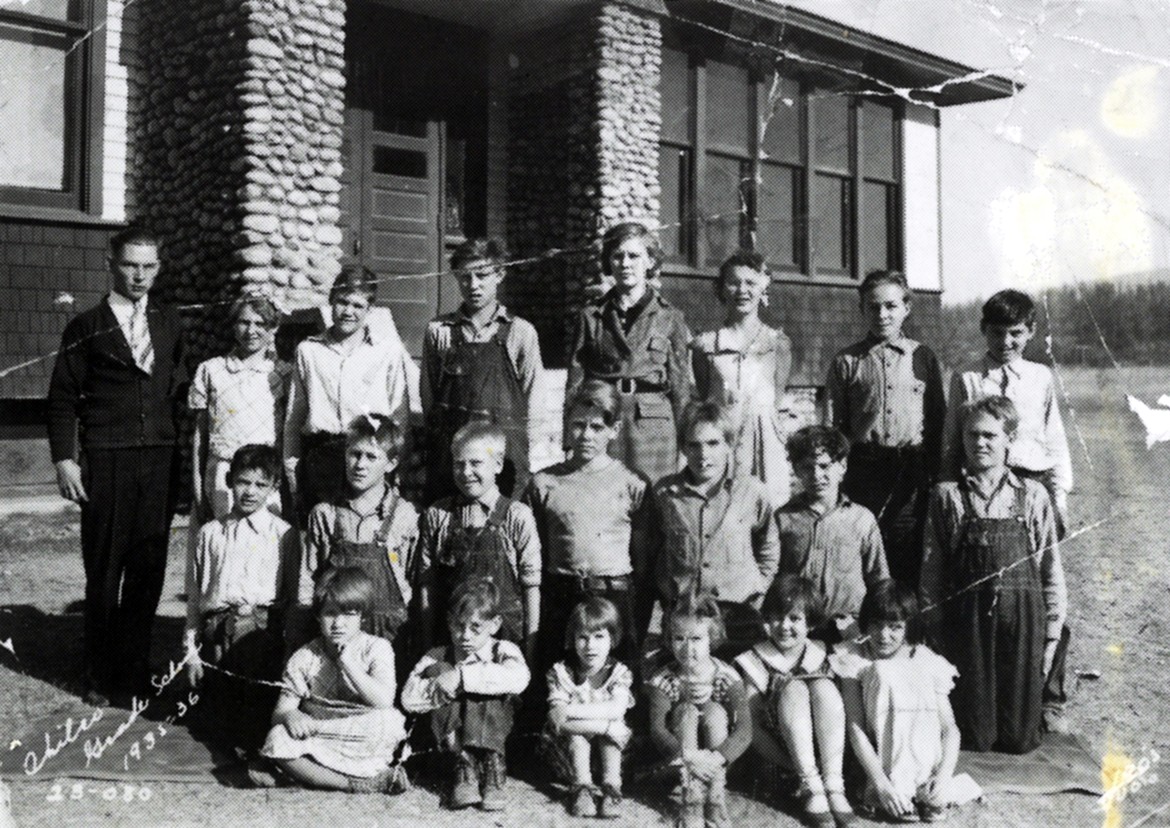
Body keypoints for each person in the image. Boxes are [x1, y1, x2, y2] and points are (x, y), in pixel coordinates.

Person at [48, 225, 187, 706]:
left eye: (150, 266)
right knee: (105, 569)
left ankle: (135, 668)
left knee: (149, 570)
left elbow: (182, 393)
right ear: (112, 263)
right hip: (107, 460)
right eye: (131, 264)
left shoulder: (170, 323)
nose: (140, 275)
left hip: (160, 460)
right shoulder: (86, 326)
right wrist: (66, 459)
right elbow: (63, 398)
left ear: (159, 267)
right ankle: (98, 673)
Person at [940, 288, 1074, 732]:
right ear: (984, 331)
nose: (1006, 343)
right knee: (983, 597)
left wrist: (1060, 497)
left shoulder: (1039, 377)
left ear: (1031, 332)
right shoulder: (967, 377)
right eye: (997, 333)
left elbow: (1054, 441)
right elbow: (951, 438)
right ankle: (983, 694)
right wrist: (947, 488)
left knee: (1042, 591)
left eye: (1016, 333)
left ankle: (1047, 697)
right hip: (977, 486)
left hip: (1030, 486)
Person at [921, 396, 1066, 754]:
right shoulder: (947, 496)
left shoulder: (1032, 495)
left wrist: (1050, 636)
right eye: (972, 435)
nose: (980, 444)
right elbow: (932, 568)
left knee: (1019, 740)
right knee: (978, 738)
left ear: (1009, 439)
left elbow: (1050, 569)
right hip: (967, 622)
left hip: (1021, 619)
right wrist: (934, 626)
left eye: (990, 436)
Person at [826, 270, 946, 588]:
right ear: (862, 309)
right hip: (863, 471)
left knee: (905, 549)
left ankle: (901, 629)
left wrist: (935, 475)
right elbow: (833, 428)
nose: (882, 315)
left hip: (910, 472)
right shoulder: (846, 361)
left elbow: (937, 421)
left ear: (907, 307)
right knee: (863, 548)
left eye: (891, 306)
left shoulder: (923, 357)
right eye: (873, 307)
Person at [524, 383, 648, 671]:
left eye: (597, 427)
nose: (586, 436)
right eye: (578, 425)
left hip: (613, 594)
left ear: (614, 430)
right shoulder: (544, 483)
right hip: (562, 597)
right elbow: (534, 552)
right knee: (558, 681)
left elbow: (643, 561)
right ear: (566, 426)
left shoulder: (633, 483)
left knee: (618, 684)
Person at [830, 581, 977, 823]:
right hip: (878, 763)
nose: (884, 635)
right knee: (882, 671)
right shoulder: (854, 657)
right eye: (876, 625)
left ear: (908, 626)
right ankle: (890, 792)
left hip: (924, 759)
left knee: (915, 673)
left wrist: (943, 776)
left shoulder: (925, 659)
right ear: (865, 622)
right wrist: (881, 784)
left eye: (894, 627)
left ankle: (928, 791)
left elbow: (949, 727)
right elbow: (855, 727)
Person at [254, 567, 409, 794]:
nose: (338, 623)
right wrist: (290, 715)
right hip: (321, 732)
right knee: (277, 739)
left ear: (363, 616)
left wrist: (348, 664)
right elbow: (280, 711)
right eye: (330, 613)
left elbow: (384, 701)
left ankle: (309, 775)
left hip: (361, 731)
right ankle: (354, 783)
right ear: (318, 615)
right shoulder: (305, 656)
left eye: (348, 614)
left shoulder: (377, 648)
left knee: (389, 722)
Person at [184, 444, 297, 752]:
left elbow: (290, 600)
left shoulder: (283, 535)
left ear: (274, 487)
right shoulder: (210, 533)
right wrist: (191, 653)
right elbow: (195, 599)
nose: (250, 492)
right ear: (229, 480)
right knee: (214, 728)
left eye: (261, 485)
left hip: (262, 634)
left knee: (254, 725)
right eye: (243, 482)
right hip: (218, 632)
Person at [283, 265, 413, 524]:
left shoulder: (387, 352)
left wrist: (397, 469)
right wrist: (291, 467)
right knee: (319, 539)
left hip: (368, 456)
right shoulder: (309, 351)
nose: (348, 312)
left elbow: (401, 417)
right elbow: (294, 417)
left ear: (369, 310)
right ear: (331, 301)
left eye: (357, 305)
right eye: (342, 302)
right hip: (322, 458)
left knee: (363, 536)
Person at [651, 400, 779, 660]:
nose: (703, 455)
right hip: (686, 617)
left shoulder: (751, 491)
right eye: (694, 445)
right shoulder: (666, 493)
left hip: (739, 615)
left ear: (729, 445)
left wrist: (759, 587)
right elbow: (654, 548)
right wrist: (668, 592)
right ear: (683, 448)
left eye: (713, 443)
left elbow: (768, 544)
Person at [567, 221, 692, 484]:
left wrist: (686, 441)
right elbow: (575, 382)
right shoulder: (591, 316)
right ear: (608, 262)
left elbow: (680, 387)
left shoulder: (670, 317)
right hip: (603, 418)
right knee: (603, 493)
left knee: (653, 498)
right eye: (617, 256)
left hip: (653, 426)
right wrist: (570, 437)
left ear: (650, 262)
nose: (625, 263)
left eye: (634, 256)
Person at [292, 415, 419, 673]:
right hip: (337, 632)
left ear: (391, 463)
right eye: (354, 454)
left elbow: (413, 581)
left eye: (371, 457)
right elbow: (308, 581)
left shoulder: (406, 516)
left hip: (390, 635)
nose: (360, 464)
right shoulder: (325, 514)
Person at [421, 238, 543, 501]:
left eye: (482, 275)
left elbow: (534, 398)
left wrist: (525, 451)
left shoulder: (520, 332)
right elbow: (428, 395)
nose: (473, 285)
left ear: (499, 275)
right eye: (465, 277)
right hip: (453, 458)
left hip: (504, 458)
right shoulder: (439, 331)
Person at [401, 578, 531, 812]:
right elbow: (408, 698)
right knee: (439, 672)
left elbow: (520, 678)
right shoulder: (437, 655)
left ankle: (492, 767)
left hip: (494, 737)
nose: (465, 636)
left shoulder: (502, 650)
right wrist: (441, 684)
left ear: (494, 624)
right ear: (449, 622)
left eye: (475, 627)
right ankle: (465, 765)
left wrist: (462, 678)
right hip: (453, 746)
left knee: (489, 682)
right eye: (459, 626)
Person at [418, 422, 541, 664]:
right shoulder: (438, 514)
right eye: (459, 464)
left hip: (504, 642)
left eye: (475, 463)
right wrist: (426, 644)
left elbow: (531, 587)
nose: (465, 473)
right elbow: (427, 584)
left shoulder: (517, 516)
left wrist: (530, 651)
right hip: (453, 639)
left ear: (497, 465)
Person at [735, 576, 853, 828]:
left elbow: (838, 711)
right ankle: (811, 786)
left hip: (826, 757)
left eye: (794, 618)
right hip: (781, 760)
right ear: (766, 620)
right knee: (794, 689)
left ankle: (834, 784)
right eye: (777, 617)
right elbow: (751, 726)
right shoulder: (756, 659)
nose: (784, 625)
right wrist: (791, 764)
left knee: (823, 686)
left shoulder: (823, 653)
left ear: (810, 623)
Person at [692, 250, 793, 508]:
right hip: (724, 442)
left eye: (750, 283)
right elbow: (705, 396)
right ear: (722, 289)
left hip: (764, 446)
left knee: (768, 513)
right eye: (734, 282)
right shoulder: (706, 345)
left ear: (763, 288)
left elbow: (777, 397)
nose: (742, 290)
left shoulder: (777, 343)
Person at [775, 426, 889, 644]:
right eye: (807, 468)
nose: (817, 475)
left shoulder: (862, 519)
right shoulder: (783, 519)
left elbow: (878, 579)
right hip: (798, 631)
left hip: (849, 629)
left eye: (825, 466)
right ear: (796, 470)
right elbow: (773, 575)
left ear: (842, 466)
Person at [645, 594, 752, 828]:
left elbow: (745, 729)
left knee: (714, 711)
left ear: (711, 639)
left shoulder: (726, 676)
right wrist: (689, 758)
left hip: (719, 761)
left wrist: (716, 759)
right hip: (681, 758)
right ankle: (691, 798)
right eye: (679, 638)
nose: (687, 647)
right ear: (669, 640)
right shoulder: (664, 679)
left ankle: (715, 798)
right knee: (686, 711)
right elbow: (657, 728)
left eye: (696, 639)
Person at [189, 291, 290, 526]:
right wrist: (197, 484)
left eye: (260, 324)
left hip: (265, 476)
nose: (251, 330)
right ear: (234, 326)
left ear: (273, 329)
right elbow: (200, 435)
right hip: (222, 476)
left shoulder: (283, 374)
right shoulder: (212, 370)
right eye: (244, 322)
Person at [543, 597, 634, 819]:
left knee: (610, 740)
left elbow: (616, 710)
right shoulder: (561, 673)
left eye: (599, 637)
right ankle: (581, 788)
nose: (590, 646)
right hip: (568, 754)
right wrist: (605, 726)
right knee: (579, 738)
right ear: (572, 639)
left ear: (612, 638)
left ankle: (611, 788)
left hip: (610, 751)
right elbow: (558, 720)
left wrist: (570, 711)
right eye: (582, 637)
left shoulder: (619, 673)